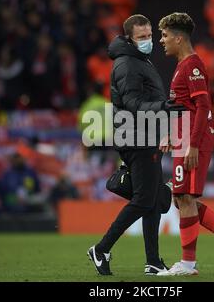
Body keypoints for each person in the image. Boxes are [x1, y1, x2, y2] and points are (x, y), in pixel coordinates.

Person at [87, 14, 185, 276]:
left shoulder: (137, 60)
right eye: (141, 37)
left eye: (149, 36)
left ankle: (153, 262)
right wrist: (164, 107)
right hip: (136, 137)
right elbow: (133, 104)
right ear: (129, 38)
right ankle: (101, 248)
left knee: (151, 200)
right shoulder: (128, 64)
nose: (148, 41)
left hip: (143, 136)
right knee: (145, 200)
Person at [156, 12, 214, 276]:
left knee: (184, 196)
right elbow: (185, 108)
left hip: (194, 138)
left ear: (178, 38)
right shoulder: (182, 65)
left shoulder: (192, 66)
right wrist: (173, 135)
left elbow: (203, 106)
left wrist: (193, 144)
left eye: (164, 36)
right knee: (180, 197)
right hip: (185, 135)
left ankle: (188, 265)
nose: (161, 41)